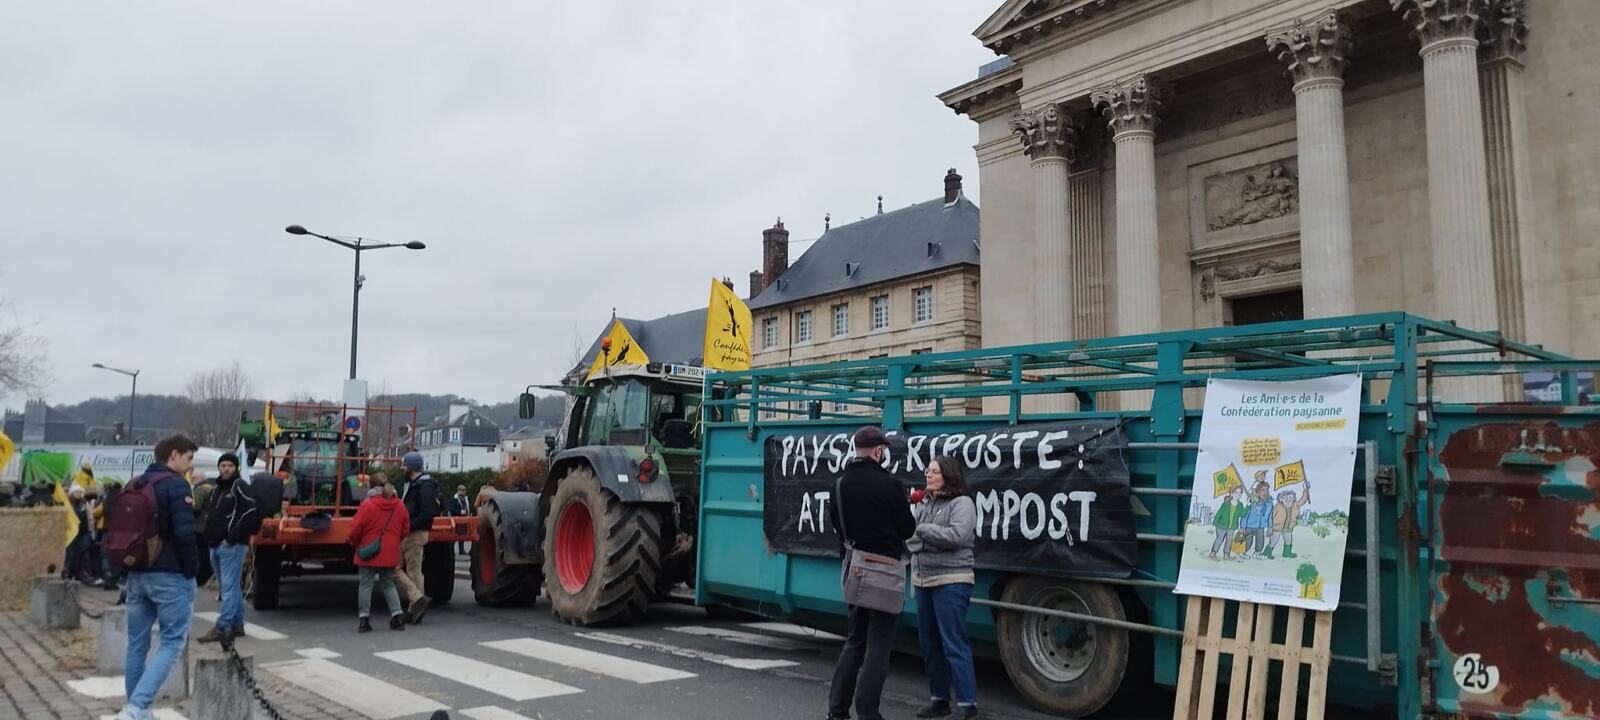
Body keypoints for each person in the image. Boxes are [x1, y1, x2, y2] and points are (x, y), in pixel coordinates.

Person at [827, 426, 916, 720]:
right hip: (885, 572)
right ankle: (868, 712)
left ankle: (837, 710)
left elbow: (838, 527)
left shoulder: (838, 485)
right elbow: (907, 529)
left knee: (855, 639)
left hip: (855, 571)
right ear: (879, 451)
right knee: (878, 642)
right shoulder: (891, 484)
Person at [117, 434, 201, 720]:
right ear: (174, 455)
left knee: (137, 645)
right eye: (189, 458)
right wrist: (194, 571)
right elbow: (184, 534)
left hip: (137, 573)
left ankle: (136, 708)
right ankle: (136, 708)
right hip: (170, 574)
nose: (190, 466)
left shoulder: (137, 482)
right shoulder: (177, 485)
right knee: (172, 642)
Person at [907, 456, 979, 719]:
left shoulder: (963, 503)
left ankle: (967, 703)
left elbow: (957, 536)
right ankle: (939, 699)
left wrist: (925, 531)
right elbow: (910, 539)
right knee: (929, 644)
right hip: (923, 580)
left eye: (935, 471)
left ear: (948, 475)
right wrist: (928, 536)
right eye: (927, 470)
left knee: (953, 643)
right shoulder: (923, 502)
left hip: (951, 581)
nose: (928, 474)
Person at [197, 453, 262, 644]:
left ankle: (222, 626)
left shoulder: (240, 486)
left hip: (231, 545)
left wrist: (231, 537)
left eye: (229, 466)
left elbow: (250, 512)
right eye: (223, 465)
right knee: (229, 587)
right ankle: (237, 624)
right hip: (215, 544)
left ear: (236, 468)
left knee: (229, 587)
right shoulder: (216, 488)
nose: (225, 469)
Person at [348, 473, 410, 633]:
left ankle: (364, 620)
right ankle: (398, 617)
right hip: (389, 551)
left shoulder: (367, 505)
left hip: (367, 550)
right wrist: (394, 541)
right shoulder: (399, 505)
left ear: (371, 487)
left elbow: (355, 528)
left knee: (365, 584)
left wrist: (355, 543)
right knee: (389, 583)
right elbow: (405, 529)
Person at [395, 451, 439, 624]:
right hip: (411, 532)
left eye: (404, 465)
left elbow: (428, 512)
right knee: (409, 570)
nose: (401, 467)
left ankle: (417, 602)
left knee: (402, 569)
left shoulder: (423, 485)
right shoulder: (416, 483)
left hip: (415, 533)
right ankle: (416, 605)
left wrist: (409, 525)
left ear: (411, 467)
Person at [1265, 481, 1312, 559]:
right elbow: (1270, 517)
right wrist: (1270, 528)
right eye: (1285, 498)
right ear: (1281, 499)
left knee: (1288, 541)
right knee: (1273, 541)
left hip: (1288, 527)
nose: (1288, 499)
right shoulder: (1277, 507)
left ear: (1293, 498)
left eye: (1290, 497)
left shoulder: (1295, 505)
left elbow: (1303, 500)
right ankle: (1267, 553)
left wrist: (1305, 490)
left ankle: (1287, 553)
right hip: (1277, 528)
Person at [190, 470, 216, 587]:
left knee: (201, 553)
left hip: (200, 526)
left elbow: (195, 507)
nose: (192, 480)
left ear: (200, 478)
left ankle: (201, 577)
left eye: (194, 478)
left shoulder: (200, 489)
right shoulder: (211, 487)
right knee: (206, 552)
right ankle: (208, 573)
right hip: (210, 525)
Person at [1208, 485, 1246, 562]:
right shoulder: (1226, 504)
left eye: (1240, 493)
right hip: (1221, 526)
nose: (1238, 495)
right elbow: (1219, 514)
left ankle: (1226, 555)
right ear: (1231, 493)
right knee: (1219, 540)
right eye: (1236, 492)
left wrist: (1248, 505)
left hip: (1232, 527)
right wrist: (1213, 526)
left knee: (1229, 541)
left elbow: (1243, 514)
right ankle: (1212, 553)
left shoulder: (1240, 505)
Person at [1239, 478, 1274, 559]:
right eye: (1263, 490)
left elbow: (1270, 516)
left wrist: (1270, 527)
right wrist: (1242, 527)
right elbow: (1245, 515)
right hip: (1250, 525)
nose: (1265, 492)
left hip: (1260, 526)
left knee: (1260, 540)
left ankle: (1257, 552)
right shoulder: (1252, 502)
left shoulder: (1269, 503)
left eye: (1267, 490)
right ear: (1258, 492)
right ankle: (1243, 552)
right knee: (1248, 540)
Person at [449, 485, 472, 555]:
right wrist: (460, 512)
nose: (463, 492)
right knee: (454, 536)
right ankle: (451, 551)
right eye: (461, 490)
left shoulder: (466, 499)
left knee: (462, 536)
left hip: (464, 519)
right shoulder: (454, 499)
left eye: (464, 490)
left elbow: (467, 507)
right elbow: (451, 509)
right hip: (456, 519)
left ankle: (461, 550)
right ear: (458, 491)